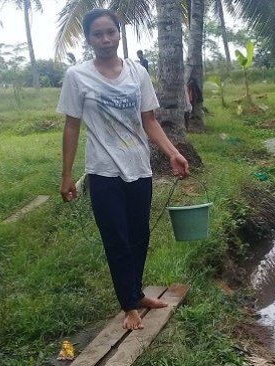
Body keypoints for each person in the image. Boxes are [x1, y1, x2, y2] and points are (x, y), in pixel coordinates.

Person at [57, 8, 189, 330]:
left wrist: (173, 153)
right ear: (89, 38)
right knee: (117, 239)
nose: (105, 39)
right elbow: (71, 126)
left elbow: (149, 120)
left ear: (119, 33)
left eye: (110, 32)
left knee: (139, 235)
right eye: (97, 34)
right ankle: (129, 304)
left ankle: (137, 292)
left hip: (138, 167)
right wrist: (66, 174)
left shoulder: (137, 73)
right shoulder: (78, 76)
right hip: (103, 172)